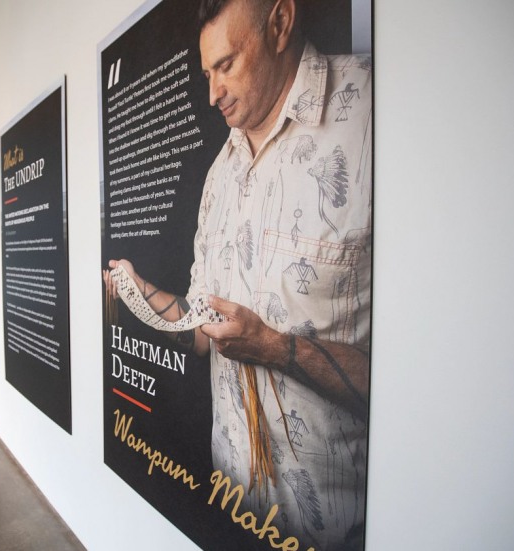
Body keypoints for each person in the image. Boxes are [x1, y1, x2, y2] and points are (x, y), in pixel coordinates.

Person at [106, 0, 371, 548]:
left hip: (338, 533)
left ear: (280, 23)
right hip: (230, 508)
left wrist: (274, 347)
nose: (212, 93)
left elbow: (427, 383)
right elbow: (204, 329)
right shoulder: (219, 174)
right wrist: (135, 293)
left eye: (226, 64)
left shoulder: (373, 118)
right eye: (206, 73)